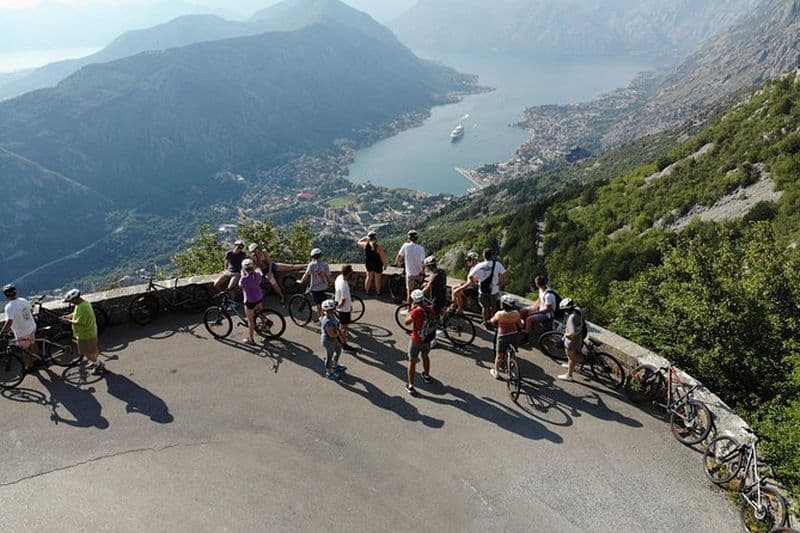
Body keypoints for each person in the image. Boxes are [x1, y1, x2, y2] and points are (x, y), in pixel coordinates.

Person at [61, 289, 106, 375]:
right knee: (92, 350)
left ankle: (99, 364)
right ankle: (95, 362)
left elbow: (80, 322)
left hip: (85, 334)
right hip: (89, 332)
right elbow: (75, 313)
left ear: (75, 299)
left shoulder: (83, 307)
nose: (71, 303)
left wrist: (68, 321)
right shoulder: (82, 304)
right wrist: (68, 316)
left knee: (86, 352)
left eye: (71, 301)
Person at [403, 289, 434, 395]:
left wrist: (410, 310)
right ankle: (426, 375)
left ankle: (410, 385)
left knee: (412, 361)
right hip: (427, 339)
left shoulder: (416, 311)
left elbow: (407, 322)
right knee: (425, 356)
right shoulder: (430, 309)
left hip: (416, 339)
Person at [1, 284, 38, 369]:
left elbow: (9, 322)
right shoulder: (23, 300)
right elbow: (31, 310)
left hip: (21, 332)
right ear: (15, 292)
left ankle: (30, 366)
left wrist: (2, 332)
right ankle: (37, 360)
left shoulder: (9, 307)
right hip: (31, 326)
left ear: (6, 295)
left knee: (24, 349)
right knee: (32, 343)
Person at [468, 249, 508, 327]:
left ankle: (486, 322)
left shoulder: (479, 265)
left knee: (485, 307)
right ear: (492, 256)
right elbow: (506, 276)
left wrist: (476, 282)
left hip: (482, 290)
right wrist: (500, 284)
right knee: (494, 308)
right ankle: (493, 322)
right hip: (494, 290)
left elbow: (470, 276)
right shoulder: (497, 264)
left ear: (483, 256)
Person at [489, 295, 524, 380]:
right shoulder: (516, 313)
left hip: (502, 336)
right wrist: (522, 321)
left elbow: (492, 321)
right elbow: (521, 325)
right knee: (512, 353)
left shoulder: (499, 314)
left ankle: (496, 372)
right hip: (513, 334)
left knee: (499, 355)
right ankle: (513, 369)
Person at [299, 248, 333, 322]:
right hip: (324, 287)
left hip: (315, 288)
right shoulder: (325, 265)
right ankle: (327, 317)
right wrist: (331, 282)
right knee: (324, 304)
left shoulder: (311, 265)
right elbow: (328, 276)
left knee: (318, 305)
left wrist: (301, 281)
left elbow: (306, 274)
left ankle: (321, 320)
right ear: (321, 256)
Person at [522, 275, 557, 343]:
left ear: (537, 284)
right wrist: (533, 307)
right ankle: (525, 328)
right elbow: (539, 299)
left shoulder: (548, 295)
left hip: (547, 314)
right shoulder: (541, 290)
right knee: (522, 311)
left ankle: (526, 338)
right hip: (541, 309)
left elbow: (548, 309)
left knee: (529, 319)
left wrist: (535, 312)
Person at [395, 230, 426, 306]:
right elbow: (423, 263)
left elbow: (399, 257)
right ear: (417, 238)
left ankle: (409, 309)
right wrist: (423, 272)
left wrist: (397, 264)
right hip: (419, 274)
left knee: (409, 292)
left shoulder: (405, 246)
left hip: (409, 273)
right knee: (418, 293)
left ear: (409, 238)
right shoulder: (421, 248)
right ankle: (416, 308)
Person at [558, 298, 585, 382]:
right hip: (580, 336)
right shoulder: (578, 310)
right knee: (572, 357)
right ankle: (571, 366)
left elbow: (572, 334)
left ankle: (569, 375)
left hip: (572, 341)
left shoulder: (571, 318)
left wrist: (565, 334)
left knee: (571, 358)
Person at [238, 259, 263, 345]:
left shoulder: (244, 278)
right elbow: (259, 272)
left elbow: (240, 285)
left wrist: (242, 274)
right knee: (260, 312)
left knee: (250, 321)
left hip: (250, 301)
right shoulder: (258, 274)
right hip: (259, 297)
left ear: (244, 268)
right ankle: (265, 323)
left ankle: (251, 340)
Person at [334, 265, 358, 353]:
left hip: (342, 308)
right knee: (344, 328)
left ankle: (340, 339)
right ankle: (344, 345)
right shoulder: (344, 284)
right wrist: (338, 307)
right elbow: (343, 300)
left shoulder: (339, 278)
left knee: (342, 326)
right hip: (344, 310)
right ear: (349, 273)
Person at [320, 299, 345, 380]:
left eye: (331, 310)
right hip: (328, 341)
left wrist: (339, 330)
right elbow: (332, 335)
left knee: (338, 350)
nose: (330, 312)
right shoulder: (328, 322)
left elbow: (336, 325)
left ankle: (335, 365)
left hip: (333, 339)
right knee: (329, 356)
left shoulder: (332, 316)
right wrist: (341, 333)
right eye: (328, 311)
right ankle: (329, 372)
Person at [357, 231, 387, 296]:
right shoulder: (378, 247)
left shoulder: (365, 245)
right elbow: (383, 257)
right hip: (377, 265)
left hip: (369, 264)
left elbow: (358, 242)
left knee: (368, 278)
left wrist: (365, 238)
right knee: (377, 279)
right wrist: (385, 265)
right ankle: (378, 292)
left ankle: (366, 292)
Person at [451, 251, 480, 315]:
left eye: (469, 260)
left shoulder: (476, 268)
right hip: (471, 285)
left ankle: (460, 310)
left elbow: (471, 283)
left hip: (474, 287)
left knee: (457, 292)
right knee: (453, 287)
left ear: (474, 260)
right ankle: (453, 305)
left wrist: (460, 288)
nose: (467, 262)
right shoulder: (473, 267)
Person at [422, 255, 447, 320]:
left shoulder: (435, 275)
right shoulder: (442, 271)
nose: (427, 268)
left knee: (434, 316)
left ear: (430, 266)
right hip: (443, 295)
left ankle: (439, 328)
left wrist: (421, 293)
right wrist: (427, 283)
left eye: (427, 266)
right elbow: (434, 283)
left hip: (436, 298)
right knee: (438, 313)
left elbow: (429, 286)